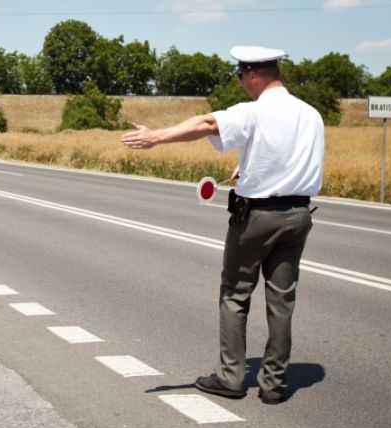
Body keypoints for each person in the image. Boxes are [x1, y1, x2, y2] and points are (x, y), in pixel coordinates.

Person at [121, 46, 324, 404]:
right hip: (299, 215)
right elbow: (288, 159)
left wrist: (155, 137)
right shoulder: (311, 115)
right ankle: (274, 385)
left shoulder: (254, 111)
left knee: (235, 293)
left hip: (257, 218)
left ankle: (230, 378)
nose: (242, 83)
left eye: (240, 76)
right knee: (282, 300)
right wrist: (247, 168)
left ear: (253, 73)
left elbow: (206, 123)